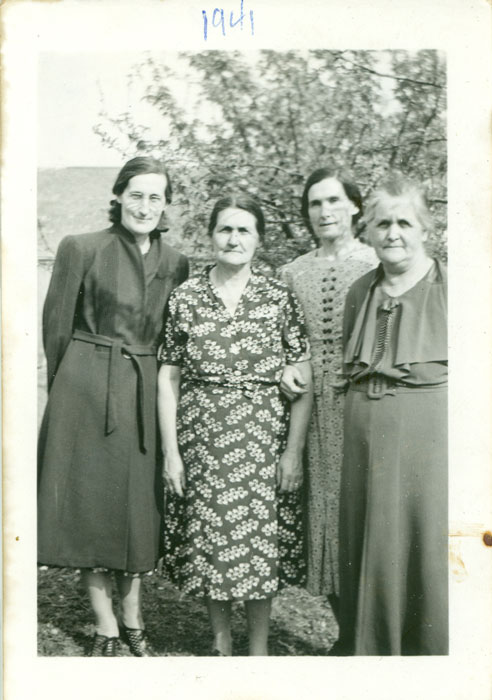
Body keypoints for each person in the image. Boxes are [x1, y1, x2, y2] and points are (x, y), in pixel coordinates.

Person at [38, 156, 189, 656]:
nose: (146, 205)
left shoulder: (177, 264)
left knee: (137, 505)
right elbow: (56, 328)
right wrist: (67, 393)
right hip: (84, 385)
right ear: (119, 195)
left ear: (166, 204)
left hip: (145, 389)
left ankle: (134, 615)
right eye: (137, 194)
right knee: (90, 504)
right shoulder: (80, 247)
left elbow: (173, 341)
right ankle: (104, 623)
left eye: (156, 196)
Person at [157, 194, 313, 656]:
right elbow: (169, 377)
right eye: (225, 229)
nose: (234, 238)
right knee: (211, 540)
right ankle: (222, 641)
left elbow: (303, 379)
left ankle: (259, 648)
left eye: (244, 230)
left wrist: (293, 453)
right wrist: (172, 452)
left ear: (259, 239)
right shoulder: (186, 297)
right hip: (203, 436)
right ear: (211, 237)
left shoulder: (278, 296)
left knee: (258, 542)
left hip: (263, 437)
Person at [337, 174, 448, 655]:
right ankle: (371, 653)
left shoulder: (454, 289)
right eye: (382, 223)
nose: (393, 233)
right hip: (364, 440)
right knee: (368, 547)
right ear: (368, 230)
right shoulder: (359, 293)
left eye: (404, 221)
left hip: (430, 443)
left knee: (426, 546)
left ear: (425, 227)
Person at [280, 167, 376, 612]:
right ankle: (346, 630)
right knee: (325, 512)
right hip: (311, 413)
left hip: (366, 406)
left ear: (355, 205)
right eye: (315, 203)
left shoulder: (378, 263)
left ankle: (373, 628)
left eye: (334, 200)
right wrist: (284, 369)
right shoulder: (292, 272)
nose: (325, 211)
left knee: (367, 512)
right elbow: (281, 343)